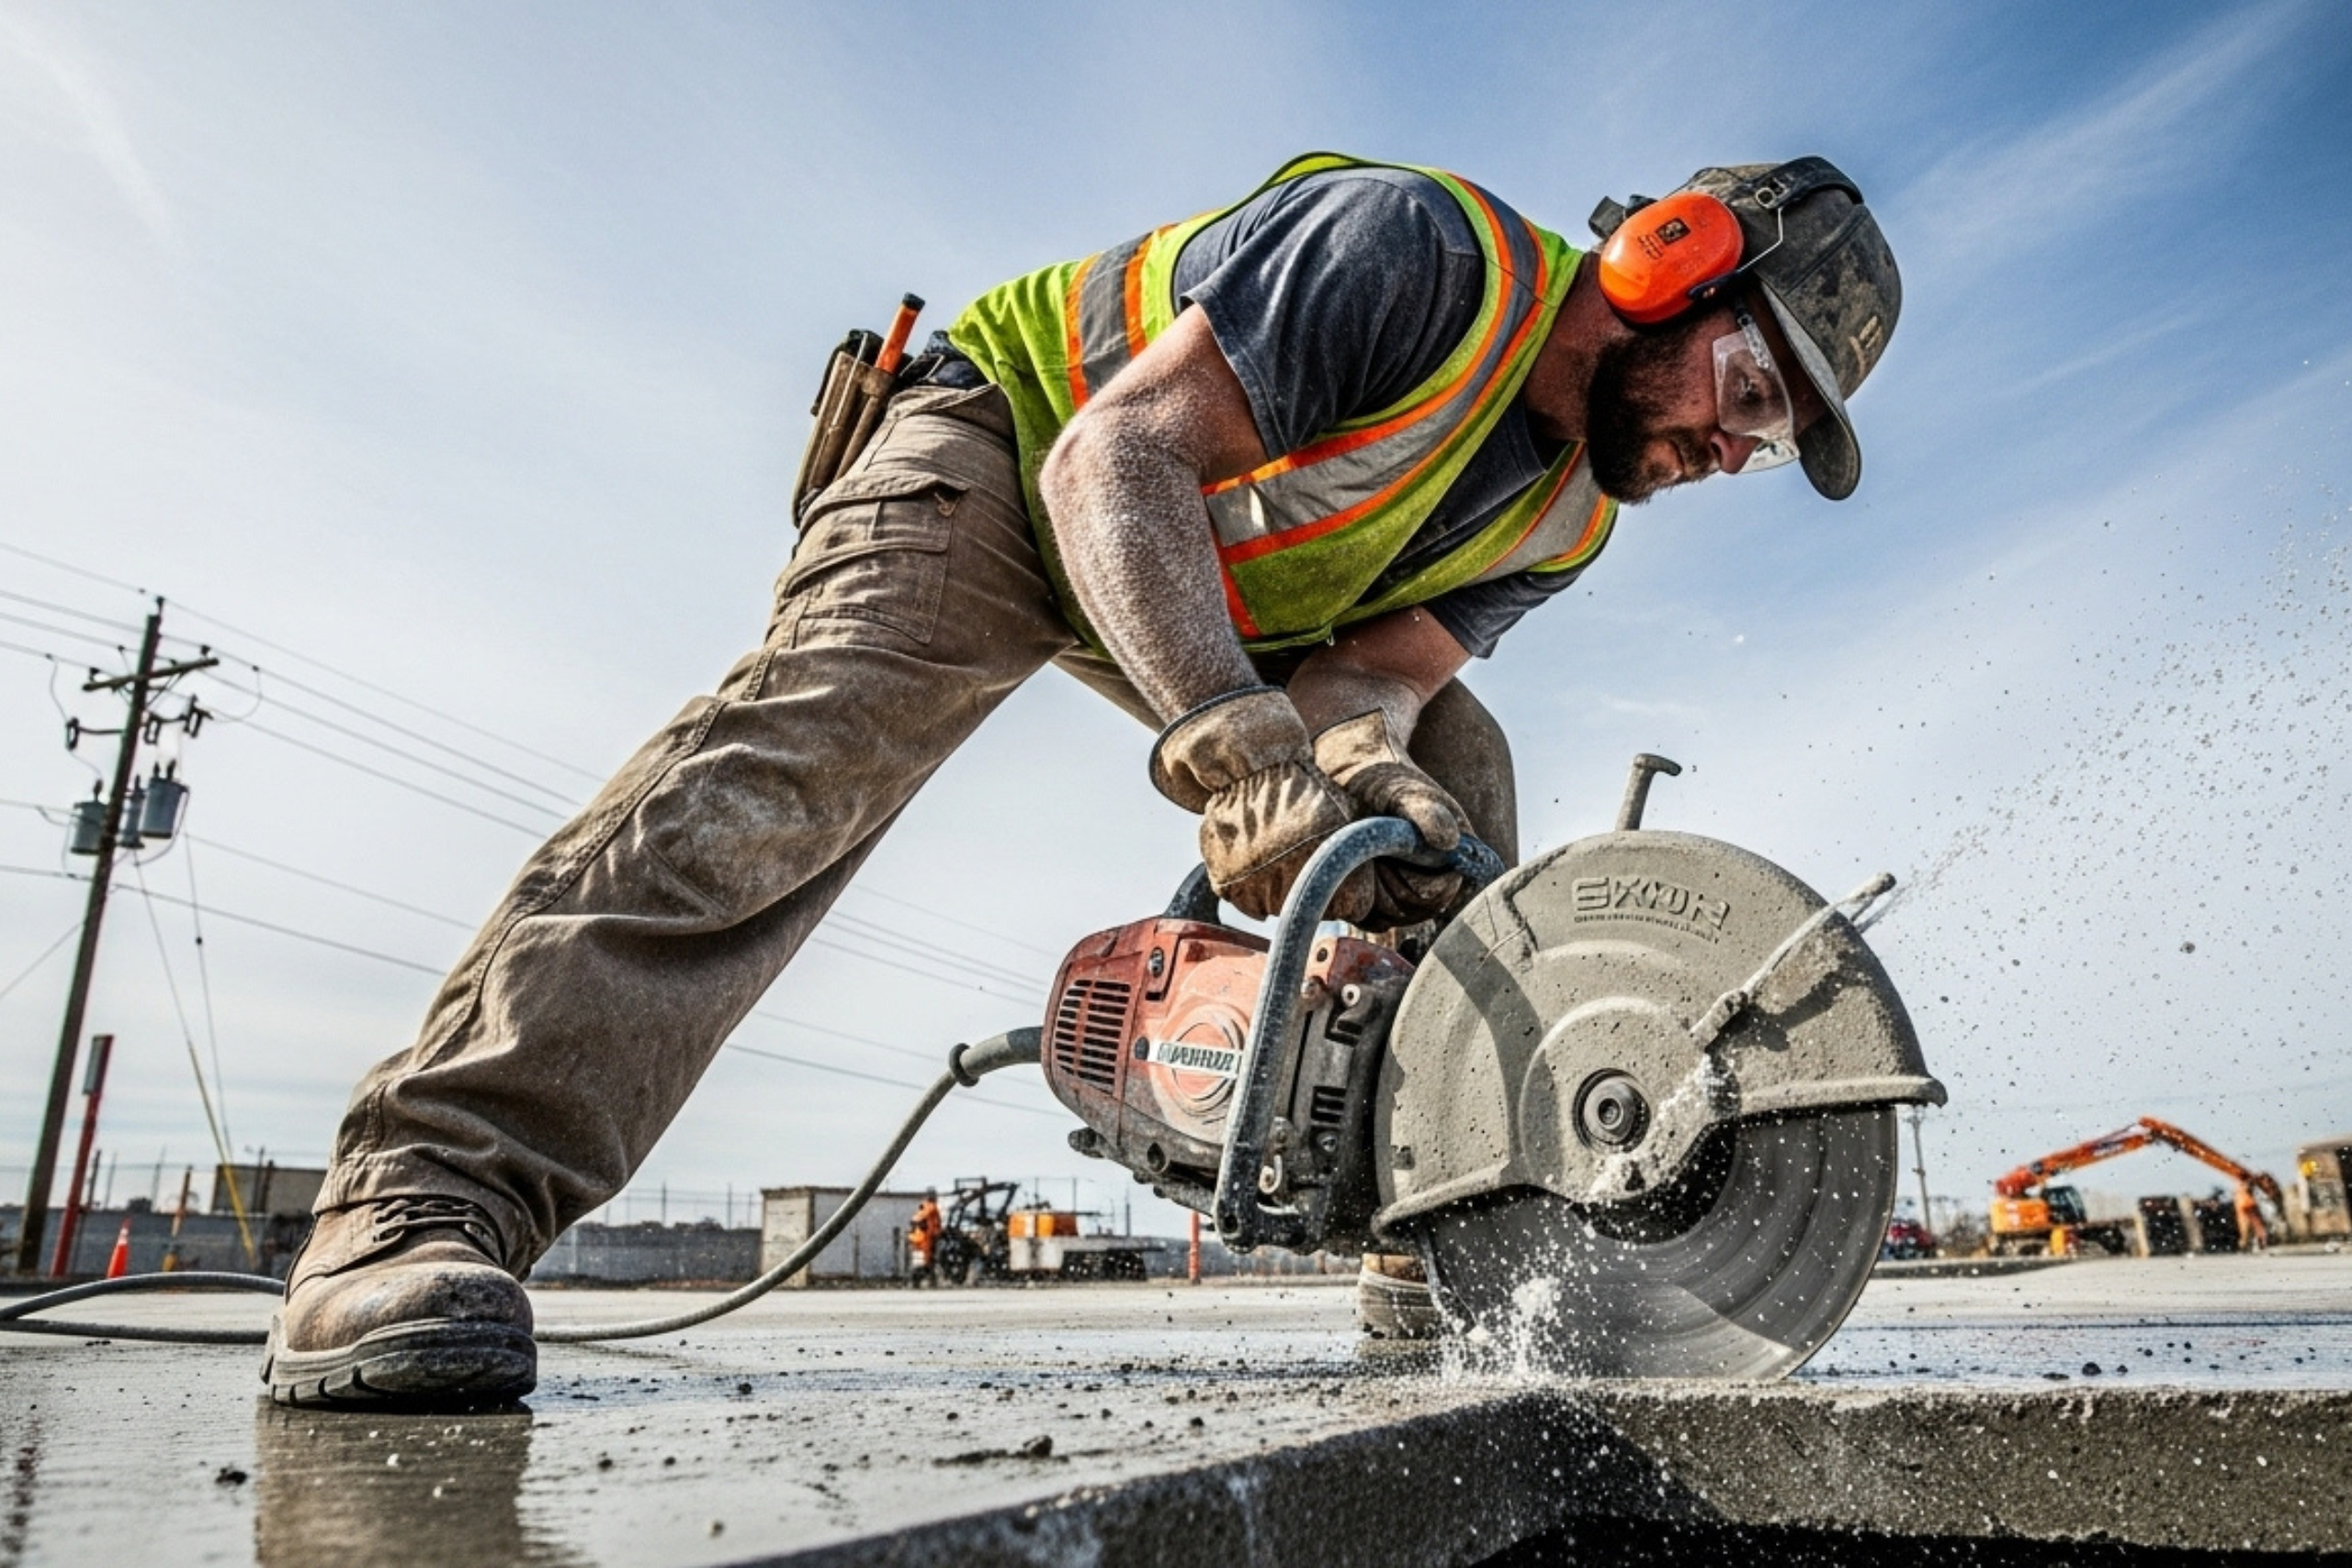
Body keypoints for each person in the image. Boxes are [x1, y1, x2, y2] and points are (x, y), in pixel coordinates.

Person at [261, 152, 1903, 1407]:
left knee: (1453, 782)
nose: (1724, 452)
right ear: (1672, 260)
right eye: (1745, 395)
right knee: (792, 774)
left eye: (1761, 449)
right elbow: (1112, 456)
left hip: (1218, 586)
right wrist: (1234, 747)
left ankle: (1440, 1210)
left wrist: (1341, 774)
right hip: (1013, 447)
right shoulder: (1426, 258)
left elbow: (1376, 682)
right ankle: (423, 1200)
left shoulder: (1569, 514)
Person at [908, 1189, 943, 1286]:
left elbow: (914, 1221)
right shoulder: (931, 1207)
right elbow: (935, 1224)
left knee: (924, 1262)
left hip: (917, 1239)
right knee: (927, 1262)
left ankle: (930, 1281)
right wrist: (938, 1233)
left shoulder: (922, 1207)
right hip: (927, 1240)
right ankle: (929, 1281)